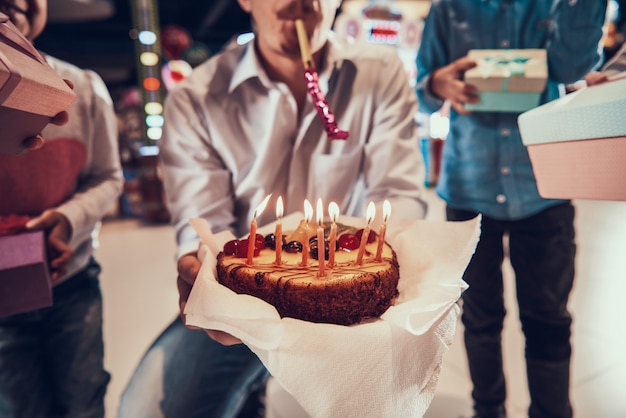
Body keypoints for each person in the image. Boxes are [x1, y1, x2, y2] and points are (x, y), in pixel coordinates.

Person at [118, 0, 427, 416]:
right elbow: (207, 225)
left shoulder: (380, 72)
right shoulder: (198, 96)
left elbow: (397, 192)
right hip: (246, 299)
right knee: (147, 408)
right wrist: (208, 276)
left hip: (349, 305)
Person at [415, 1, 606, 418]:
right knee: (480, 320)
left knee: (548, 318)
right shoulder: (449, 8)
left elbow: (571, 66)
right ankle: (488, 410)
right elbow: (420, 91)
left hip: (545, 185)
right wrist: (436, 86)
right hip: (468, 187)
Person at [0, 0, 124, 416]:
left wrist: (66, 220)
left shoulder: (82, 87)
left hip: (71, 281)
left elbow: (109, 177)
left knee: (83, 399)